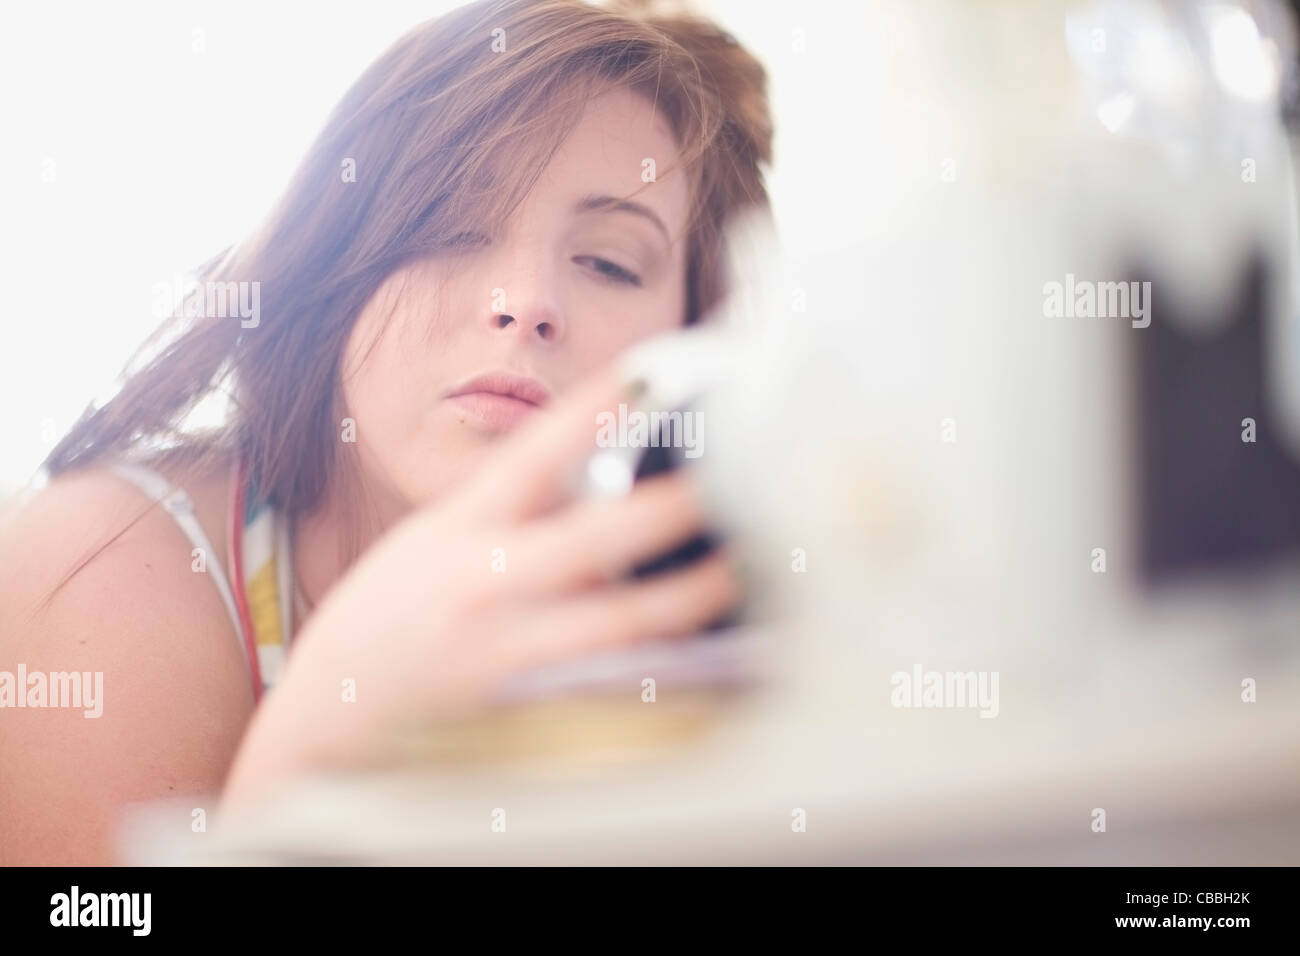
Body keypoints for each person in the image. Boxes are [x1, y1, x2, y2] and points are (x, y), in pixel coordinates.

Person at [0, 0, 773, 865]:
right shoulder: (109, 558)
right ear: (338, 263)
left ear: (694, 335)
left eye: (608, 262)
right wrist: (307, 747)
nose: (524, 302)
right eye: (449, 227)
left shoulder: (705, 615)